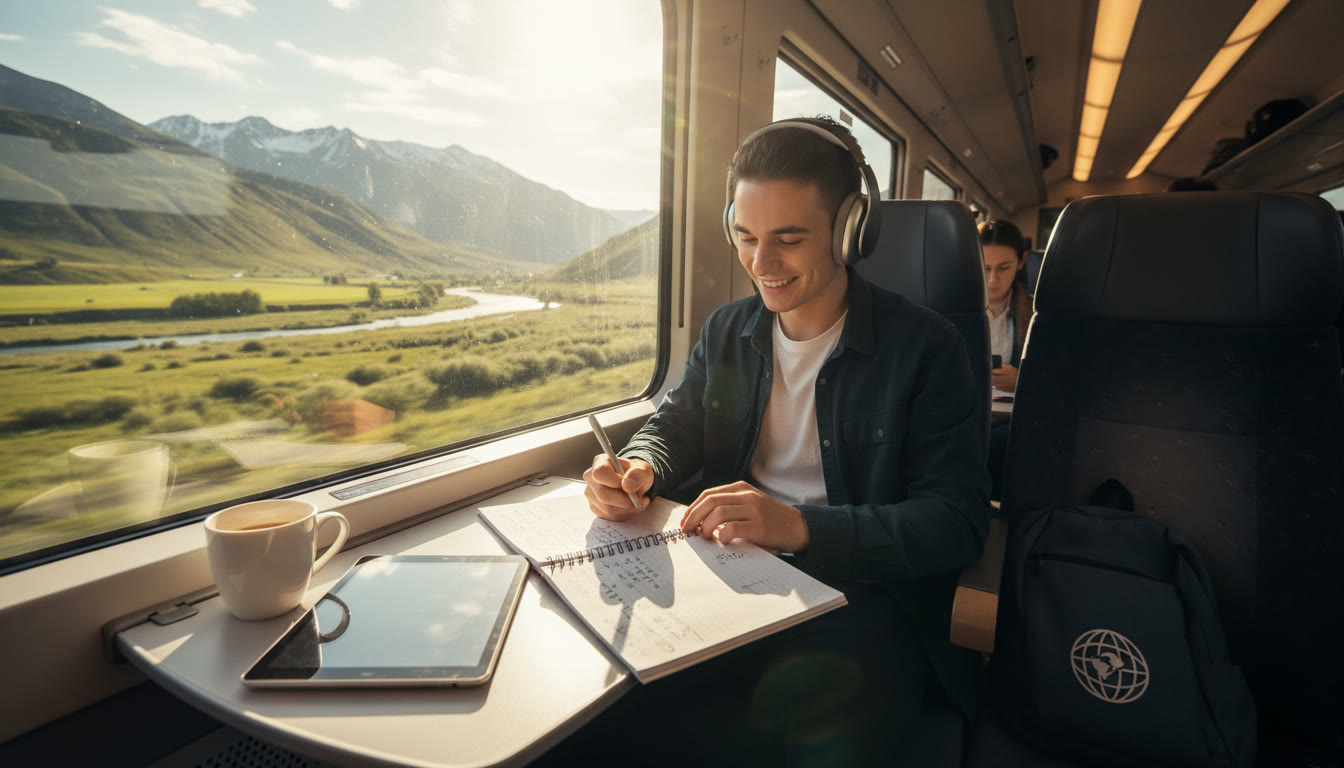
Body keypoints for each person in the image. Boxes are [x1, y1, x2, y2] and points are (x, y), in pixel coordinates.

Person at [575, 115, 990, 764]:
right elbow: (677, 424)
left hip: (865, 595)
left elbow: (956, 523)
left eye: (789, 239)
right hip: (734, 569)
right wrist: (640, 465)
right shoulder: (726, 330)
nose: (760, 264)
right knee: (608, 709)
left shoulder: (927, 348)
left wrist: (798, 527)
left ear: (850, 232)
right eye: (745, 237)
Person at [980, 219, 1030, 500]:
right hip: (965, 412)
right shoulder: (950, 308)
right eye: (985, 267)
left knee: (1002, 442)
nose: (992, 280)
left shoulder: (1036, 313)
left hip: (1010, 420)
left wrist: (1022, 380)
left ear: (1021, 262)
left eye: (1003, 268)